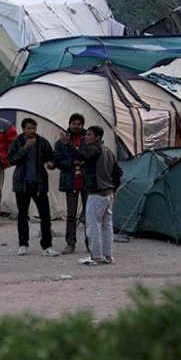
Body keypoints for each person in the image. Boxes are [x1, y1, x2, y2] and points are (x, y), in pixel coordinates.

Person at [8, 118, 58, 257]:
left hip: (39, 183)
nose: (32, 131)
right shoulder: (17, 142)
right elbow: (11, 160)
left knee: (45, 215)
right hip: (22, 184)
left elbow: (51, 157)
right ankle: (23, 244)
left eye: (34, 128)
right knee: (23, 215)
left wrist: (51, 164)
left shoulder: (42, 142)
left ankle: (47, 245)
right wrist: (25, 148)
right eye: (29, 128)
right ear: (23, 129)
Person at [75, 126, 122, 266]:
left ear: (97, 137)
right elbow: (118, 172)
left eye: (89, 135)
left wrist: (70, 145)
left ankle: (96, 256)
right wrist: (114, 188)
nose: (86, 137)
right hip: (108, 193)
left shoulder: (94, 149)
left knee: (93, 225)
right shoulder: (109, 151)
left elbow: (83, 156)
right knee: (107, 225)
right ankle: (108, 255)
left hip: (96, 192)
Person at [54, 113, 87, 255]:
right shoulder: (61, 142)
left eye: (79, 124)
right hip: (70, 181)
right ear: (69, 124)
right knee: (71, 214)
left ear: (82, 125)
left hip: (87, 182)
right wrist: (72, 161)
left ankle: (91, 243)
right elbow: (58, 161)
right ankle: (70, 243)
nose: (76, 126)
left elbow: (91, 155)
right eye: (73, 123)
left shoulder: (88, 138)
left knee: (89, 215)